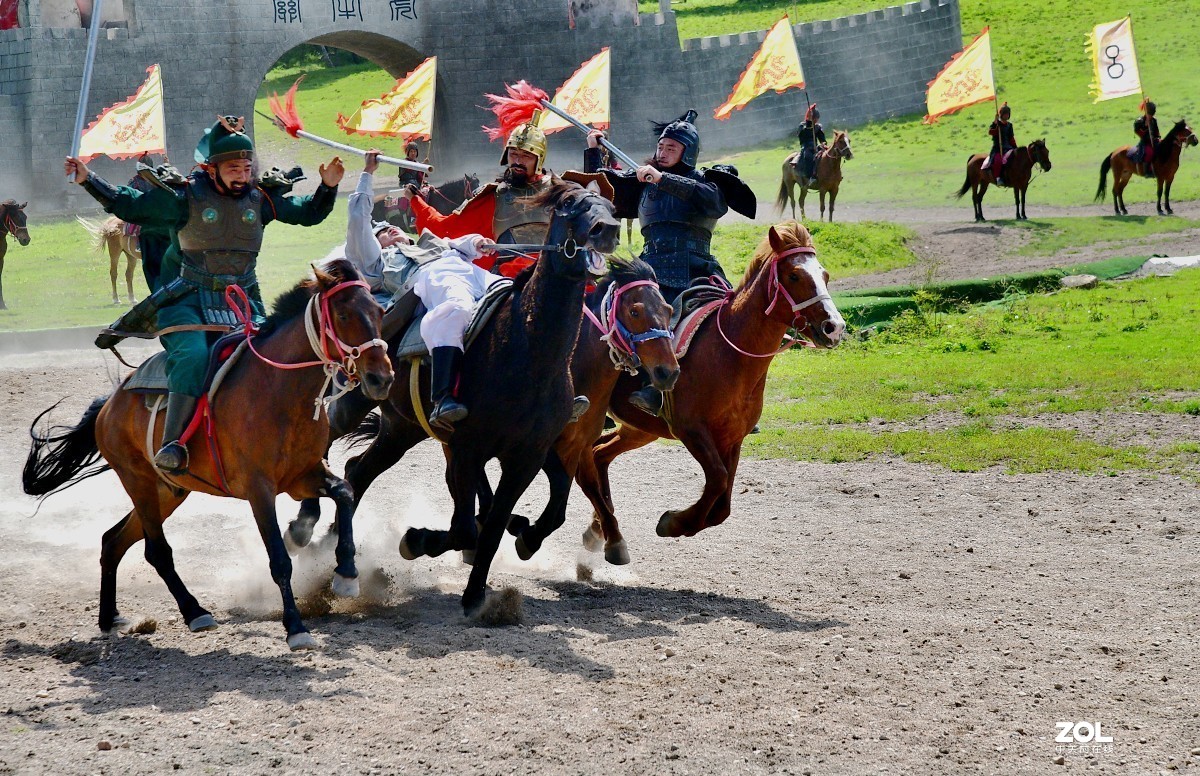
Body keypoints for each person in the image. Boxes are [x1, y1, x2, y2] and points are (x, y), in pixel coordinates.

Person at [65, 115, 344, 474]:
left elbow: (307, 214)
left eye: (246, 167)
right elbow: (129, 204)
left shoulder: (260, 199)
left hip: (244, 301)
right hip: (186, 301)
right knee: (195, 357)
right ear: (211, 169)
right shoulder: (185, 198)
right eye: (233, 168)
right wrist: (88, 179)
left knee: (274, 355)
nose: (242, 175)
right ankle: (173, 444)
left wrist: (328, 187)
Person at [584, 109, 755, 416]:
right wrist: (594, 153)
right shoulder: (645, 184)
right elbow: (600, 191)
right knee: (601, 311)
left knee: (738, 322)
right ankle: (599, 395)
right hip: (648, 268)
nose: (662, 153)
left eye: (671, 148)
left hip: (695, 266)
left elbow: (712, 203)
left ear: (687, 152)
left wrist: (664, 179)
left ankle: (740, 399)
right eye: (660, 147)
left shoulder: (705, 183)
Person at [400, 120, 555, 277]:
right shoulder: (493, 196)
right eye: (513, 154)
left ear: (539, 158)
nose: (517, 162)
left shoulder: (559, 192)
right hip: (508, 279)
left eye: (526, 155)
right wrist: (416, 201)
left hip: (556, 272)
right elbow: (446, 229)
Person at [125, 153, 185, 292]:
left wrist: (167, 165)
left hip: (160, 217)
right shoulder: (135, 182)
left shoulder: (156, 179)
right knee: (134, 223)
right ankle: (137, 244)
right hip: (144, 215)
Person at [987, 103, 1017, 186]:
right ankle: (998, 178)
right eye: (1005, 114)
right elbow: (991, 132)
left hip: (1008, 148)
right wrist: (996, 124)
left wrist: (1015, 148)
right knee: (998, 160)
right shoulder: (996, 124)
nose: (1006, 115)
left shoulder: (1009, 125)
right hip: (998, 148)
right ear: (1001, 114)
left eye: (1008, 114)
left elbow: (1011, 138)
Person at [797, 104, 827, 184]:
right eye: (814, 118)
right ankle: (810, 177)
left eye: (817, 118)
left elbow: (822, 138)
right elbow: (802, 135)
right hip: (806, 147)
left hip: (816, 147)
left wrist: (823, 144)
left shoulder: (818, 127)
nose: (816, 120)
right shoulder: (802, 125)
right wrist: (809, 123)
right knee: (808, 157)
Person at [1132, 101, 1161, 176]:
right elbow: (1139, 132)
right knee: (1149, 153)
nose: (1150, 116)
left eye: (1151, 115)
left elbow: (1157, 132)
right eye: (1149, 114)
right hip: (1145, 143)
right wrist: (1145, 126)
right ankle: (1147, 171)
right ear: (1146, 112)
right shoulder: (1139, 122)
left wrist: (1158, 138)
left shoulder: (1154, 120)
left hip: (1154, 141)